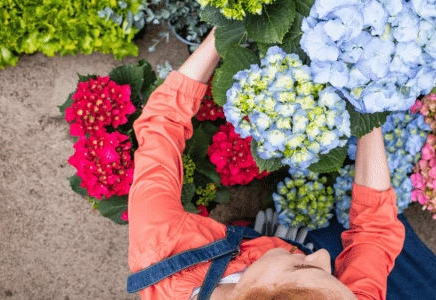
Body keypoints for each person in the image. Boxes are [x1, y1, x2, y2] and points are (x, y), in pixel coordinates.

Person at [126, 27, 405, 300]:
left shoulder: (160, 242)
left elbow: (161, 125)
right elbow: (375, 233)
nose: (323, 254)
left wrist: (225, 28)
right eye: (331, 276)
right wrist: (368, 106)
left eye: (303, 265)